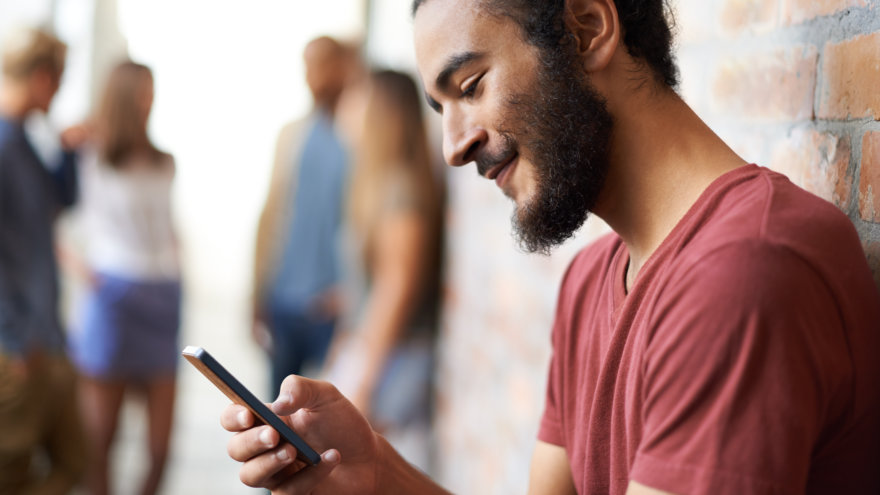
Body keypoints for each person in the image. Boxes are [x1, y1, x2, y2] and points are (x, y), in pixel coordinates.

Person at [220, 1, 880, 494]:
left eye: (471, 86)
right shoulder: (591, 279)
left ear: (587, 27)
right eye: (439, 107)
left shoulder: (744, 271)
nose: (453, 146)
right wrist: (374, 469)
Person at [62, 61, 180, 495]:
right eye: (142, 92)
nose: (149, 101)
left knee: (161, 447)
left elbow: (167, 224)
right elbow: (43, 217)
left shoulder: (164, 161)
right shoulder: (88, 156)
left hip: (162, 293)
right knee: (101, 439)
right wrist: (82, 268)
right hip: (112, 291)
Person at [326, 69, 444, 471]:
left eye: (355, 95)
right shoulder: (375, 183)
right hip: (381, 353)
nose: (344, 106)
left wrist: (363, 379)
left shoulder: (399, 188)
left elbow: (398, 285)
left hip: (396, 360)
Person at [0, 26, 87, 494]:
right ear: (40, 77)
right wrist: (14, 336)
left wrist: (70, 154)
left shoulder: (24, 142)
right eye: (59, 79)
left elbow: (58, 203)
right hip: (18, 346)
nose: (59, 91)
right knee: (11, 471)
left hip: (45, 338)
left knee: (74, 460)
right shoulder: (3, 144)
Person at [252, 36, 354, 394]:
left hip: (332, 307)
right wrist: (256, 293)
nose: (314, 75)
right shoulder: (291, 135)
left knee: (328, 421)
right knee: (276, 412)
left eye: (323, 64)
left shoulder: (356, 137)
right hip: (284, 300)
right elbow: (270, 214)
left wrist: (351, 292)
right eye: (308, 66)